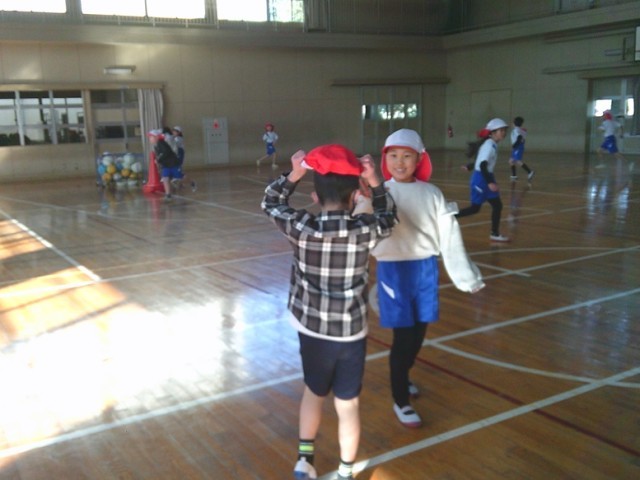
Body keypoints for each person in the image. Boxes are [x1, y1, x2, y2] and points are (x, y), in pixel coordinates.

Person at [261, 144, 397, 480]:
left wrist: (294, 173)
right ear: (355, 196)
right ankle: (346, 472)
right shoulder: (365, 230)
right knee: (348, 405)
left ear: (315, 197)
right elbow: (389, 217)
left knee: (314, 391)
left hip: (312, 330)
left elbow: (271, 203)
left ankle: (304, 460)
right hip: (350, 334)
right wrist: (375, 182)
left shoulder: (303, 227)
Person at [356, 128, 484, 428]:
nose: (400, 162)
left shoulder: (432, 193)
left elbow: (450, 236)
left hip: (425, 269)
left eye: (407, 156)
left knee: (418, 334)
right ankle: (400, 399)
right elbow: (358, 229)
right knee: (403, 338)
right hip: (393, 272)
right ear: (385, 159)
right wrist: (357, 202)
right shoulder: (379, 193)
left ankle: (403, 374)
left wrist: (467, 278)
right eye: (393, 156)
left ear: (419, 160)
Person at [456, 118, 510, 242]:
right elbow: (482, 164)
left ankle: (494, 233)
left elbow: (481, 160)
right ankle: (450, 218)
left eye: (504, 130)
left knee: (497, 205)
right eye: (501, 130)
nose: (503, 133)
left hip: (486, 176)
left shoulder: (492, 144)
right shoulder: (489, 145)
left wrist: (469, 166)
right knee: (475, 208)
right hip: (481, 179)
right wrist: (490, 182)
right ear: (493, 132)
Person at [147, 129, 180, 201]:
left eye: (151, 137)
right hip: (166, 165)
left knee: (179, 177)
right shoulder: (156, 145)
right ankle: (168, 195)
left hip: (172, 164)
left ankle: (191, 182)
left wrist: (158, 159)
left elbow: (165, 152)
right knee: (165, 178)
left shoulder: (161, 143)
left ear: (156, 137)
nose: (150, 139)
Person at [170, 126, 197, 192]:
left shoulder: (178, 139)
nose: (173, 132)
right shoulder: (175, 138)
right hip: (176, 157)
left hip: (179, 157)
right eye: (173, 131)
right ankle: (181, 185)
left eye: (175, 131)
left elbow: (174, 146)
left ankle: (192, 182)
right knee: (177, 173)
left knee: (180, 174)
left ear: (179, 132)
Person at [509, 116, 535, 182]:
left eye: (513, 121)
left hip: (518, 147)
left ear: (515, 123)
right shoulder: (521, 130)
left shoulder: (516, 130)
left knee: (517, 161)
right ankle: (514, 176)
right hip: (518, 146)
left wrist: (515, 145)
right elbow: (523, 134)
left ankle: (530, 172)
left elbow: (519, 137)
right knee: (511, 161)